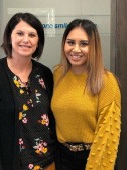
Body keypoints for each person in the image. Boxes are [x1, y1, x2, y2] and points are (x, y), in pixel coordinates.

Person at [0, 12, 56, 170]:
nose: (26, 40)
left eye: (32, 35)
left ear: (38, 41)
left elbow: (52, 119)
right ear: (9, 37)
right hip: (14, 164)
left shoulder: (45, 73)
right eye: (20, 33)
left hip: (48, 162)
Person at [51, 19, 121, 170]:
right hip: (60, 156)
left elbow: (108, 137)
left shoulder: (106, 81)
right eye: (70, 42)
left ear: (94, 47)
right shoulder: (57, 74)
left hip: (92, 157)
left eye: (84, 44)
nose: (76, 49)